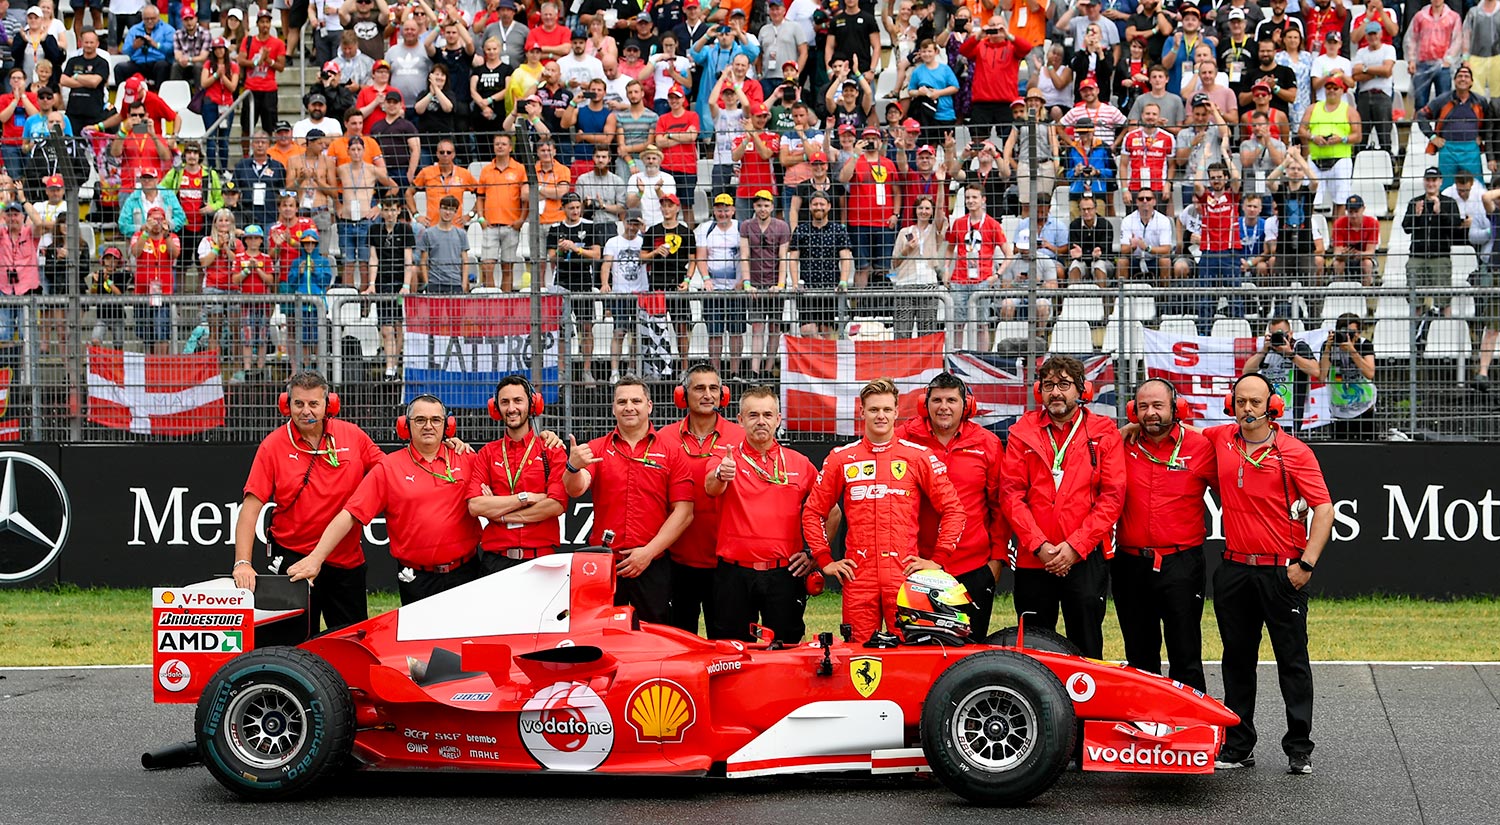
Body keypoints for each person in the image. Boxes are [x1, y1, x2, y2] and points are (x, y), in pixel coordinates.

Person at [1208, 372, 1333, 775]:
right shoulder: (1219, 440)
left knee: (1292, 662)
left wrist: (1306, 565)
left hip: (1282, 574)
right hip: (1234, 570)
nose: (1248, 408)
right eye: (1241, 401)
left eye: (1255, 402)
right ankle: (1239, 745)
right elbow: (1173, 429)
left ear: (1272, 406)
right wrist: (1130, 427)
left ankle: (1299, 748)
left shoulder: (1294, 451)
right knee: (1236, 661)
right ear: (1232, 405)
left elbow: (1324, 509)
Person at [803, 378, 965, 644]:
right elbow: (813, 511)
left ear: (897, 411)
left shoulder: (918, 456)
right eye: (874, 409)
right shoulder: (842, 458)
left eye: (887, 410)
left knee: (911, 653)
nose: (881, 415)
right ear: (862, 411)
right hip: (859, 576)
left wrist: (937, 559)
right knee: (859, 658)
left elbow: (954, 510)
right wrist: (824, 560)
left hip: (904, 575)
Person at [293, 395, 483, 604]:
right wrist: (316, 558)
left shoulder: (468, 458)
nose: (428, 426)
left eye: (436, 420)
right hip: (417, 579)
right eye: (420, 420)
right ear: (405, 426)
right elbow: (350, 514)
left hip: (467, 574)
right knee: (418, 637)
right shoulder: (389, 468)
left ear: (447, 426)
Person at [234, 372, 388, 631]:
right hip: (293, 560)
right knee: (293, 646)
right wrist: (243, 564)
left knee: (351, 644)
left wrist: (445, 446)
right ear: (287, 404)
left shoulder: (353, 436)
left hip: (346, 559)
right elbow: (250, 509)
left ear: (329, 404)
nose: (306, 411)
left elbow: (389, 471)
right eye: (299, 404)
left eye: (314, 404)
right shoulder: (272, 446)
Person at [999, 355, 1126, 658]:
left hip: (1084, 557)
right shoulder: (1022, 431)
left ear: (1083, 389)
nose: (1056, 392)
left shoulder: (1104, 431)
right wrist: (1038, 544)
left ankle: (1087, 706)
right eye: (1048, 385)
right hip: (1034, 558)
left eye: (1064, 384)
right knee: (1033, 647)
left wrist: (1074, 547)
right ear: (1038, 391)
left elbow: (1112, 497)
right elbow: (1011, 494)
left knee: (1086, 645)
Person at [565, 377, 694, 623]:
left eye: (636, 400)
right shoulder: (596, 449)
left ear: (649, 405)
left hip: (652, 563)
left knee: (655, 640)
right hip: (605, 564)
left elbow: (684, 512)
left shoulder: (672, 452)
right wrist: (572, 467)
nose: (629, 407)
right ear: (613, 408)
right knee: (600, 637)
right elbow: (576, 488)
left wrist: (647, 553)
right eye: (622, 401)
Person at [1115, 378, 1216, 691]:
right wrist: (1119, 433)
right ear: (1133, 411)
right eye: (1143, 406)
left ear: (1176, 408)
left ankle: (1191, 730)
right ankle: (1144, 731)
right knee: (1139, 657)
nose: (1150, 414)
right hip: (1131, 565)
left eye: (1158, 406)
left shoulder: (1200, 447)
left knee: (1185, 655)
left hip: (1181, 565)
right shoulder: (1121, 444)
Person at [895, 373, 1009, 638]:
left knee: (970, 651)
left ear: (965, 405)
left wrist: (995, 563)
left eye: (951, 400)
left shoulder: (987, 444)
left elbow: (999, 506)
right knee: (919, 649)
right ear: (925, 404)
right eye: (936, 400)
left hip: (973, 567)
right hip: (918, 565)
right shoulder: (903, 438)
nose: (943, 407)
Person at [704, 386, 817, 643]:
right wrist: (723, 473)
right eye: (753, 415)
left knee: (786, 649)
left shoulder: (799, 463)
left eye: (768, 414)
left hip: (784, 575)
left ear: (778, 420)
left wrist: (814, 554)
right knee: (732, 652)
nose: (761, 421)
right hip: (734, 575)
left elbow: (830, 511)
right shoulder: (725, 457)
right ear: (740, 420)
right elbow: (711, 486)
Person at [655, 365, 746, 634]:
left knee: (727, 644)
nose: (707, 395)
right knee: (679, 642)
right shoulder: (663, 438)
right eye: (699, 388)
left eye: (713, 388)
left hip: (726, 562)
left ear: (723, 395)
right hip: (678, 559)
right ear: (682, 395)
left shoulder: (741, 437)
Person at [467, 376, 569, 573]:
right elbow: (475, 505)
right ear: (495, 408)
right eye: (505, 402)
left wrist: (502, 515)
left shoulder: (551, 449)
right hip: (496, 561)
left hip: (541, 559)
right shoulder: (487, 453)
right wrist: (526, 498)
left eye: (518, 401)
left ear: (532, 405)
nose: (511, 408)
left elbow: (556, 505)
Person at [787, 190, 853, 337]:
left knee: (826, 331)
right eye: (815, 204)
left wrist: (843, 281)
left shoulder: (838, 230)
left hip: (830, 288)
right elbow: (793, 258)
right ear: (810, 207)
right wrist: (795, 282)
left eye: (822, 204)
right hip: (807, 289)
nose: (818, 207)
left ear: (829, 206)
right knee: (807, 331)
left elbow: (845, 258)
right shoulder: (801, 230)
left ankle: (823, 359)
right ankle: (823, 355)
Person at [1401, 167, 1467, 313]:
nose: (1431, 184)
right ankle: (1416, 333)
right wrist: (1416, 216)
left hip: (1440, 256)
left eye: (1434, 180)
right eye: (1428, 180)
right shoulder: (1415, 202)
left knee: (1444, 301)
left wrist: (1440, 213)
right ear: (1424, 182)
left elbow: (1455, 228)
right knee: (1415, 300)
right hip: (1417, 257)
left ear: (1440, 182)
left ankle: (1446, 332)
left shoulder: (1449, 203)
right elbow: (1406, 228)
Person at [1418, 65, 1491, 190]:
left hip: (1471, 149)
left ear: (1472, 82)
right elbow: (1421, 115)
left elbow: (1489, 123)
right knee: (1446, 186)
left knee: (1476, 187)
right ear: (1454, 80)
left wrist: (1482, 136)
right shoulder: (1442, 100)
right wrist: (1432, 137)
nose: (1463, 79)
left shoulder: (1480, 101)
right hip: (1448, 149)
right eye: (1460, 76)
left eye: (1466, 76)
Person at [1243, 317, 1320, 429]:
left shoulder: (1298, 346)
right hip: (1267, 413)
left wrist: (1290, 354)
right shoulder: (1268, 348)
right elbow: (1246, 371)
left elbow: (1316, 371)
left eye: (1281, 334)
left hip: (1291, 413)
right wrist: (1264, 350)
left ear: (1290, 334)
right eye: (1274, 334)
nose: (1278, 338)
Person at [1319, 313, 1378, 440]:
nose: (1350, 336)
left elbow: (1370, 373)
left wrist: (1352, 351)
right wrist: (1328, 348)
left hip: (1364, 407)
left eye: (1353, 332)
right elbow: (1322, 375)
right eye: (1346, 332)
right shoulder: (1329, 346)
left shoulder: (1364, 345)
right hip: (1339, 409)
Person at [1407, 0, 1462, 115]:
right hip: (1422, 64)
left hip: (1443, 66)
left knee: (1444, 101)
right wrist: (1411, 59)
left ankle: (1441, 130)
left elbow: (1457, 40)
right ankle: (1420, 129)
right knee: (1420, 102)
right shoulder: (1420, 16)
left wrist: (1449, 59)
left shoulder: (1453, 17)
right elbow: (1412, 38)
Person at [239, 9, 288, 138]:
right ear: (257, 24)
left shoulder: (278, 43)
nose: (265, 25)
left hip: (269, 90)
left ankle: (270, 153)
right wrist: (257, 62)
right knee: (246, 127)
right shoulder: (248, 41)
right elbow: (241, 60)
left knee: (270, 127)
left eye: (267, 22)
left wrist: (268, 60)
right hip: (251, 88)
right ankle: (246, 154)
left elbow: (281, 66)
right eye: (262, 22)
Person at [1351, 23, 1396, 153]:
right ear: (1366, 36)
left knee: (1384, 134)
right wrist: (1378, 72)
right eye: (1369, 34)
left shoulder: (1389, 49)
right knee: (1361, 135)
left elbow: (1387, 71)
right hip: (1364, 95)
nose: (1372, 37)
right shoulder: (1361, 52)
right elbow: (1356, 75)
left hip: (1382, 94)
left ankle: (1389, 164)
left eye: (1375, 33)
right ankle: (1357, 164)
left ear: (1380, 34)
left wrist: (1365, 69)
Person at [415, 194, 471, 293]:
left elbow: (465, 261)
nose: (447, 212)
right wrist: (427, 283)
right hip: (435, 283)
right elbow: (423, 262)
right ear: (439, 209)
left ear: (455, 212)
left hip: (455, 283)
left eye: (451, 209)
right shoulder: (428, 233)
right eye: (445, 208)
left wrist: (463, 284)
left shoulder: (461, 234)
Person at [1330, 194, 1378, 286]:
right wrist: (1343, 255)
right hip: (1345, 257)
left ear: (1363, 209)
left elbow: (1370, 252)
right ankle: (1340, 292)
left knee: (1367, 264)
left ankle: (1365, 294)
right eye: (1350, 212)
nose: (1354, 215)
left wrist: (1355, 254)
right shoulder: (1339, 224)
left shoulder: (1372, 223)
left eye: (1356, 211)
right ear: (1346, 211)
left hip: (1364, 257)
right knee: (1337, 264)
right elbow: (1337, 252)